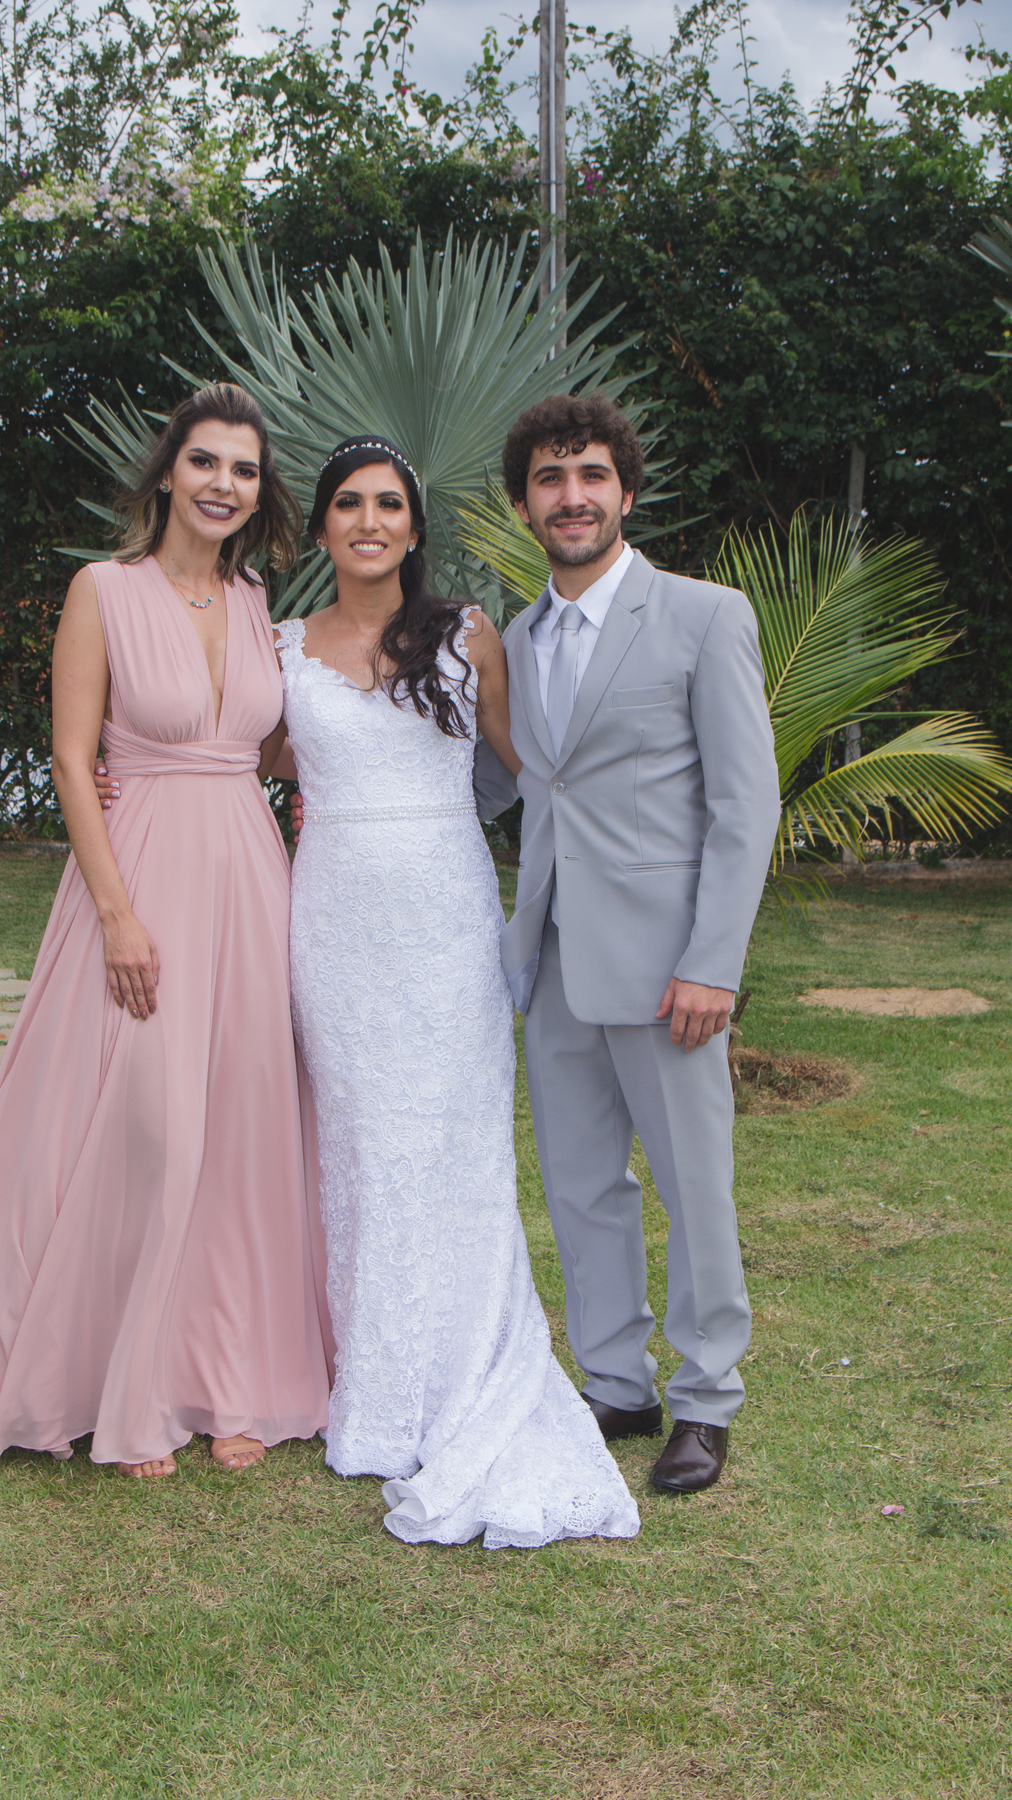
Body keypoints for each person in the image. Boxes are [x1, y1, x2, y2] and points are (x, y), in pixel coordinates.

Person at [0, 382, 334, 1479]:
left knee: (243, 1128)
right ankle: (123, 1380)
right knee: (145, 1125)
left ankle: (231, 1377)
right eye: (205, 461)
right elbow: (72, 759)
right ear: (167, 472)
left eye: (244, 469)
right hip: (139, 872)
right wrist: (115, 914)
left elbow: (278, 747)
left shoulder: (256, 602)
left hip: (249, 877)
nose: (223, 484)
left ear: (260, 491)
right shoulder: (102, 589)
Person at [277, 437, 640, 1548]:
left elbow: (537, 768)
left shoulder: (468, 635)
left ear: (414, 527)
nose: (370, 521)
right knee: (361, 1149)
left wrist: (643, 845)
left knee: (452, 1149)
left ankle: (469, 1369)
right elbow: (241, 753)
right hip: (333, 927)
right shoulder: (280, 647)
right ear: (323, 527)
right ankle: (374, 1387)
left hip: (446, 927)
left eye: (390, 503)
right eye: (349, 503)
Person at [473, 394, 781, 1494]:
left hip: (668, 970)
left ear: (626, 493)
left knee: (695, 1185)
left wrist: (713, 962)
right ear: (524, 506)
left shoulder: (704, 617)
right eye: (550, 480)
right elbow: (513, 782)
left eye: (591, 475)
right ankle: (615, 1382)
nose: (573, 497)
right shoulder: (515, 639)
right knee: (580, 1182)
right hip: (554, 956)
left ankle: (705, 1398)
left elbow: (746, 804)